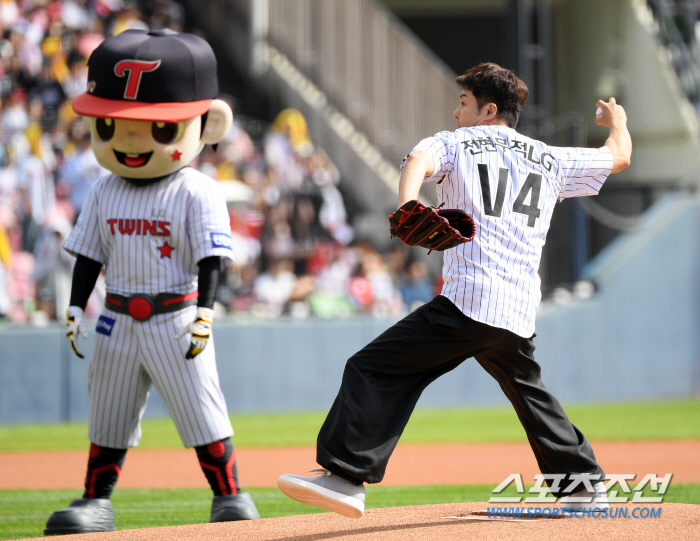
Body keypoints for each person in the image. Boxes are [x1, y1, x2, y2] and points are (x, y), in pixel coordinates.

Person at [277, 62, 632, 518]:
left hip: (467, 301)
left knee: (373, 368)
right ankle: (584, 487)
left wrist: (408, 202)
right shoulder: (550, 158)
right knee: (530, 393)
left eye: (463, 102)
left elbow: (419, 161)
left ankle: (345, 476)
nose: (456, 109)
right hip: (517, 311)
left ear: (487, 110)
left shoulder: (454, 141)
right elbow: (618, 157)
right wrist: (617, 121)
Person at [44, 29, 260, 536]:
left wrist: (206, 312)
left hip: (177, 315)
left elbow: (212, 259)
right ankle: (95, 502)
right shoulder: (102, 188)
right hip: (116, 317)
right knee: (108, 418)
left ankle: (230, 497)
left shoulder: (198, 189)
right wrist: (76, 307)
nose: (131, 140)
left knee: (202, 412)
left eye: (160, 126)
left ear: (207, 124)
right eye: (111, 124)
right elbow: (88, 256)